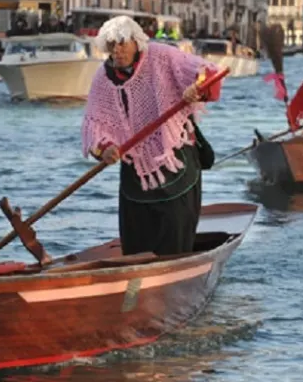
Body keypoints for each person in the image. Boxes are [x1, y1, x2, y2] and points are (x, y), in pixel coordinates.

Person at [81, 15, 221, 257]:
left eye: (123, 42)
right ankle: (136, 279)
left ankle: (174, 273)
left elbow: (207, 73)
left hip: (175, 157)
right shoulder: (102, 79)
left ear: (137, 41)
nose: (118, 50)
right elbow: (95, 127)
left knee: (174, 233)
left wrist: (196, 89)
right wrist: (105, 149)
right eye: (112, 45)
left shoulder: (161, 56)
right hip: (135, 169)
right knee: (136, 238)